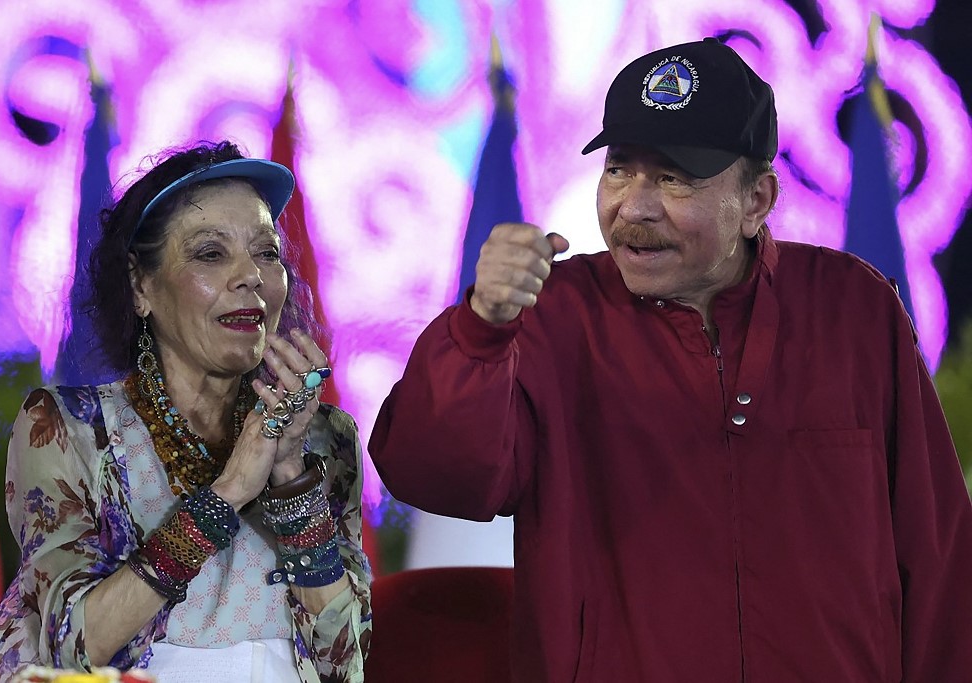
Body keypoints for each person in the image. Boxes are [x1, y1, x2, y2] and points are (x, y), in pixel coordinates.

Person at [368, 38, 972, 681]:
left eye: (674, 176)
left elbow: (935, 557)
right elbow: (430, 476)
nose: (634, 205)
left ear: (758, 200)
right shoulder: (551, 316)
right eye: (620, 169)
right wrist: (481, 329)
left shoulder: (854, 308)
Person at [0, 141, 371, 682]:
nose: (250, 275)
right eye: (211, 253)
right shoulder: (67, 428)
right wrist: (225, 496)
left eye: (267, 252)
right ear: (141, 286)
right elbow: (74, 647)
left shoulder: (325, 438)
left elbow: (345, 666)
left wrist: (290, 479)